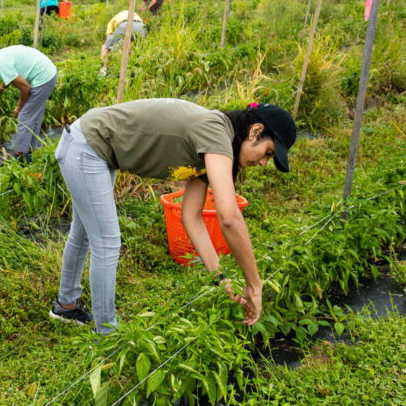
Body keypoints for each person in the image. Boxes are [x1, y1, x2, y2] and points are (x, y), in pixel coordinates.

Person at [50, 100, 296, 334]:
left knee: (83, 234)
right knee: (107, 242)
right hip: (88, 146)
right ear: (255, 131)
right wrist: (255, 285)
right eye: (268, 152)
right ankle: (106, 336)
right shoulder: (216, 132)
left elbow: (191, 217)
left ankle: (66, 306)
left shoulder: (215, 145)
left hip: (93, 146)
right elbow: (229, 217)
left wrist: (221, 279)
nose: (264, 162)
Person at [0, 46, 58, 162]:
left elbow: (25, 87)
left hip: (43, 78)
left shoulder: (0, 66)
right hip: (47, 72)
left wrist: (19, 108)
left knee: (24, 117)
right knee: (33, 117)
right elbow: (10, 75)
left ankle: (19, 157)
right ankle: (31, 153)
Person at [99, 10, 146, 76]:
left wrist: (113, 53)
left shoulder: (111, 22)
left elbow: (109, 40)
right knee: (135, 52)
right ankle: (133, 73)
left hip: (126, 23)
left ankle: (103, 72)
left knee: (105, 48)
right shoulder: (131, 14)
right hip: (141, 26)